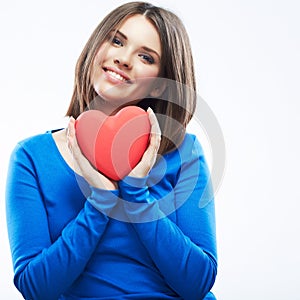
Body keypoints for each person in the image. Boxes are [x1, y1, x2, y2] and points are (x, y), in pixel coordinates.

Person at [5, 2, 217, 299]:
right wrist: (100, 201)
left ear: (159, 85)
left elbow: (198, 283)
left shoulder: (185, 152)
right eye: (117, 41)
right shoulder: (32, 157)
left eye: (146, 56)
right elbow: (35, 288)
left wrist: (135, 193)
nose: (124, 59)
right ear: (96, 47)